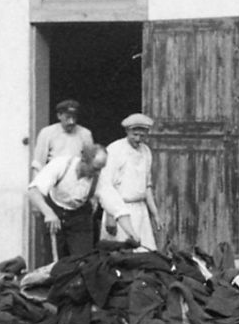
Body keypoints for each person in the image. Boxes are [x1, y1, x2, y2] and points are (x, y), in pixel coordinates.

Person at [27, 142, 111, 260]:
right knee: (55, 262)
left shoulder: (99, 178)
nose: (98, 173)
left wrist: (132, 234)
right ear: (84, 161)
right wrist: (48, 213)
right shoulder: (61, 164)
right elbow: (33, 191)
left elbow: (116, 205)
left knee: (83, 260)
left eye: (101, 169)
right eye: (95, 168)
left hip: (80, 216)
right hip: (55, 212)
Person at [100, 113, 161, 251]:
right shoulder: (115, 149)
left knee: (145, 253)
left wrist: (155, 214)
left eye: (142, 135)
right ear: (127, 131)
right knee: (120, 254)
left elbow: (147, 186)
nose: (138, 139)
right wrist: (110, 216)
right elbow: (106, 186)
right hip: (119, 210)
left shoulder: (146, 151)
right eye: (135, 135)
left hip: (140, 210)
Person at [31, 99, 93, 174]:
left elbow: (89, 162)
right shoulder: (47, 133)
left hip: (76, 176)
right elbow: (38, 164)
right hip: (53, 176)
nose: (71, 122)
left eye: (74, 117)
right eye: (68, 117)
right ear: (59, 116)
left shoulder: (85, 134)